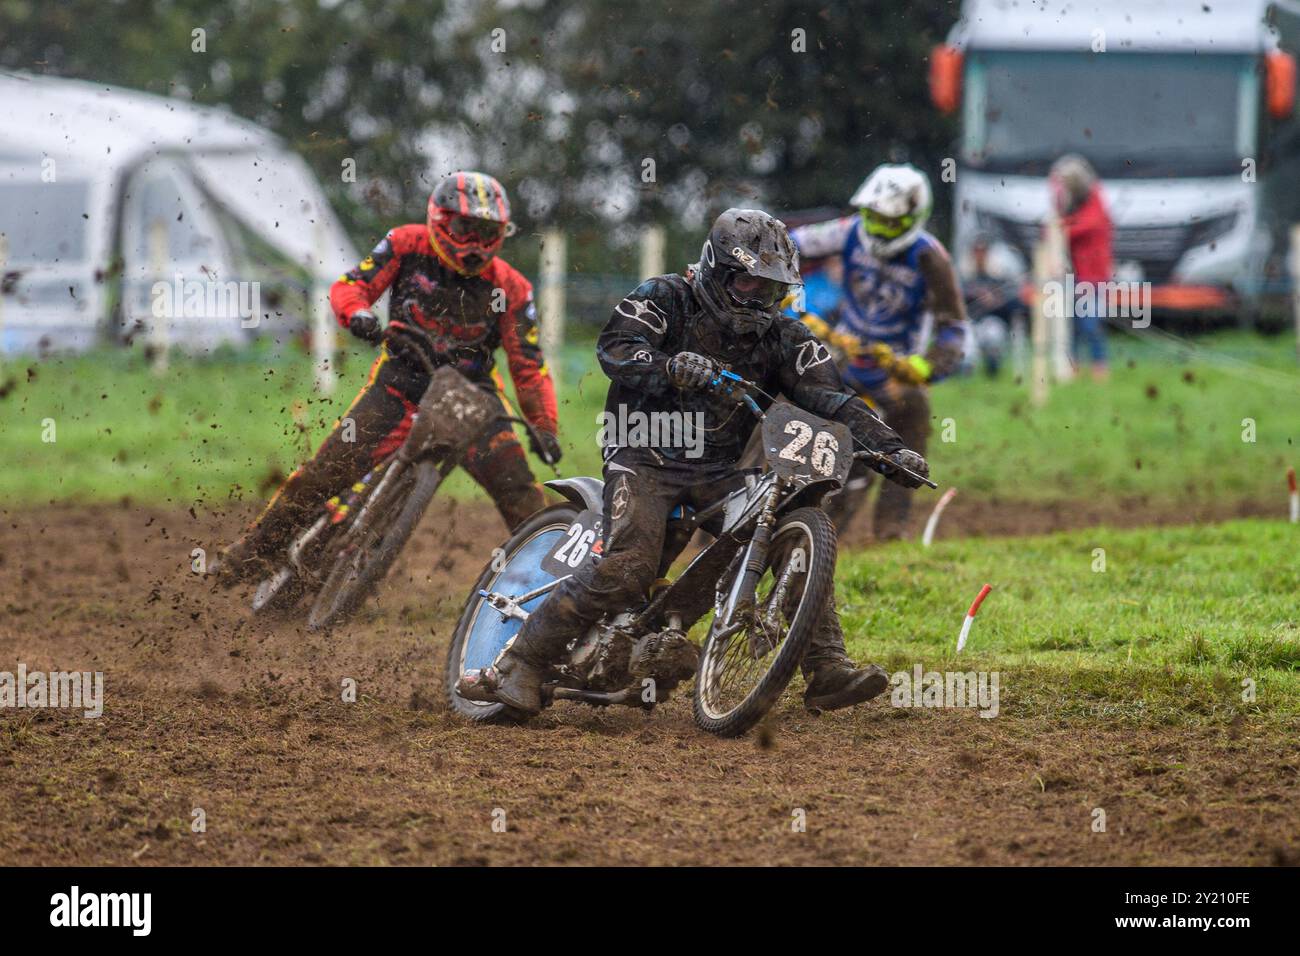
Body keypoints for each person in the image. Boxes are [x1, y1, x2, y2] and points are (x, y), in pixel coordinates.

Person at [457, 208, 929, 717]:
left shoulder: (784, 336)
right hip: (642, 456)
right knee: (630, 566)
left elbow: (833, 399)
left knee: (779, 522)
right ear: (718, 269)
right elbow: (615, 347)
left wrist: (889, 448)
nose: (759, 299)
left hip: (719, 470)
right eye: (749, 284)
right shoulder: (663, 297)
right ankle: (521, 663)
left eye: (772, 290)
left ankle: (827, 667)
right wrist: (668, 367)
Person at [217, 171, 561, 583]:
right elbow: (352, 285)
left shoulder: (513, 287)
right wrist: (357, 314)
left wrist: (545, 427)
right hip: (401, 381)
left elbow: (529, 366)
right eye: (464, 229)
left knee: (521, 494)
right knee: (323, 473)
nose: (473, 243)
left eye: (486, 233)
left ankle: (554, 588)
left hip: (471, 398)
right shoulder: (405, 243)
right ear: (440, 219)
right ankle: (251, 554)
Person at [789, 164, 965, 539]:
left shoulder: (930, 257)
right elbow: (789, 242)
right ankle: (796, 519)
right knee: (787, 398)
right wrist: (782, 284)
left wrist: (926, 367)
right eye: (871, 217)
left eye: (888, 221)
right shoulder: (848, 230)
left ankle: (891, 529)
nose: (877, 229)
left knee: (911, 416)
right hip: (843, 352)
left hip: (895, 366)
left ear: (912, 217)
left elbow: (955, 327)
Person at [1049, 154, 1113, 381]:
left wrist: (1061, 226)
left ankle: (1100, 365)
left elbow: (1085, 225)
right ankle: (1072, 365)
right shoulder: (1069, 203)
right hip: (1073, 274)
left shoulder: (1094, 199)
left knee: (1090, 321)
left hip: (1093, 276)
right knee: (1072, 324)